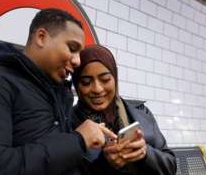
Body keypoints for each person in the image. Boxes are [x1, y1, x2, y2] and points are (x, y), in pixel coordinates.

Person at [0, 9, 117, 175]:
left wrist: (107, 161)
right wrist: (78, 140)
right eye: (72, 48)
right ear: (41, 37)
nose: (77, 61)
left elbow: (64, 163)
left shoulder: (59, 93)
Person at [71, 44, 177, 175]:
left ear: (115, 79)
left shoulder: (142, 112)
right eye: (86, 82)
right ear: (76, 84)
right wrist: (105, 165)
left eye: (105, 79)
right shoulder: (68, 124)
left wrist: (145, 153)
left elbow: (170, 166)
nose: (97, 89)